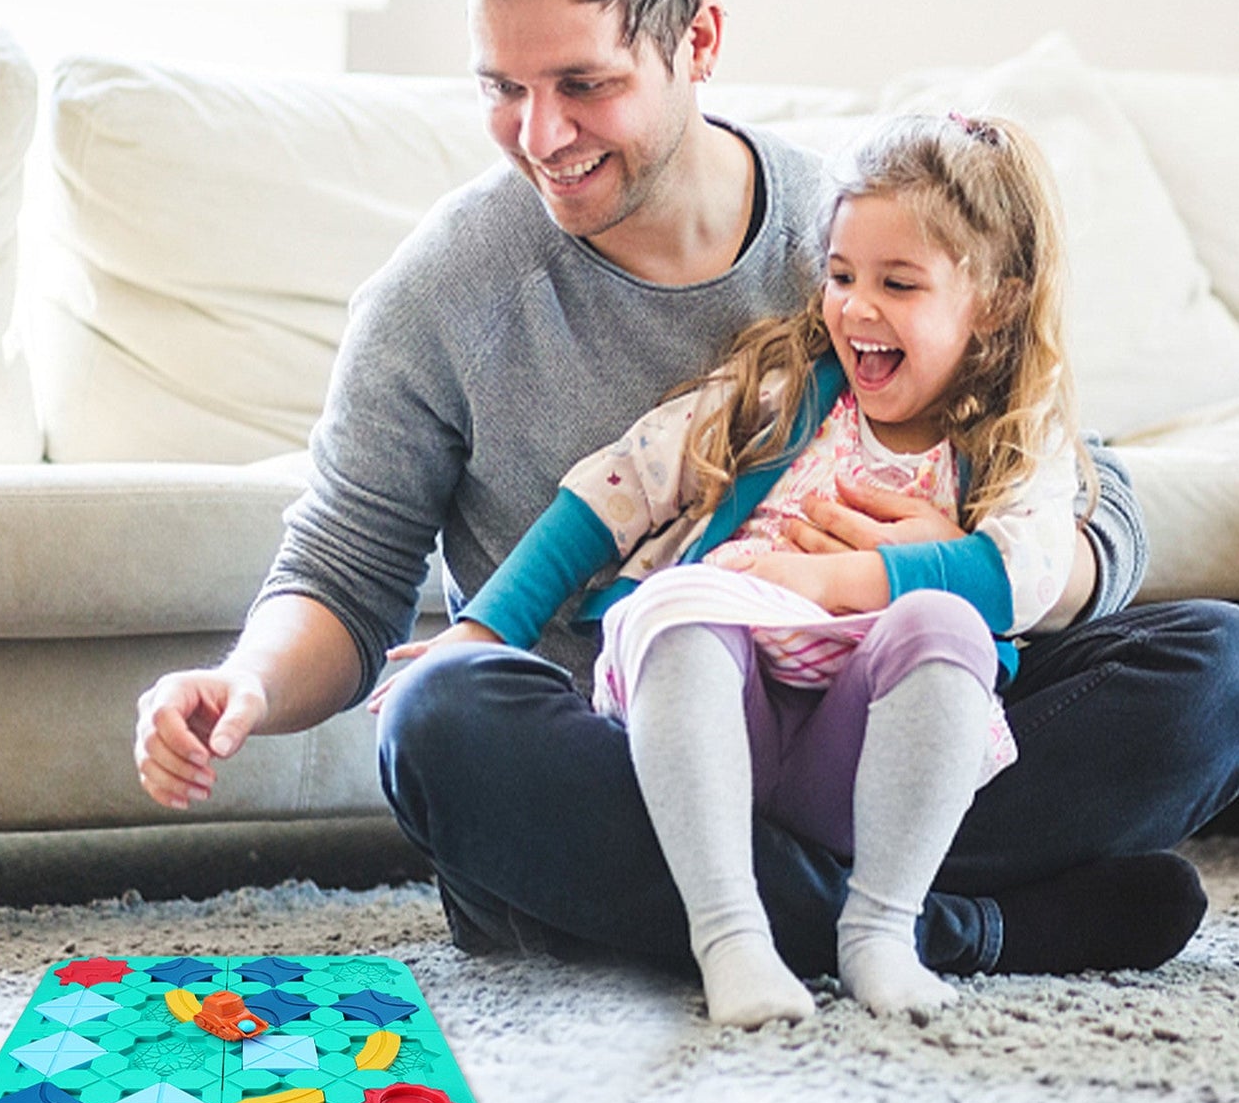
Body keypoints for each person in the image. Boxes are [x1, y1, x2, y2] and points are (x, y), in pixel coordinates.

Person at [134, 0, 1237, 987]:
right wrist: (248, 684)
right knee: (439, 722)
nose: (539, 135)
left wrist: (952, 570)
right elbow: (340, 572)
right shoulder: (442, 293)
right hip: (629, 749)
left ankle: (736, 911)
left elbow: (1080, 481)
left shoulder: (858, 231)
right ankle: (960, 926)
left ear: (697, 42)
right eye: (501, 89)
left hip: (889, 707)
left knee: (1214, 666)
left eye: (583, 84)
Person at [371, 110, 1094, 1026]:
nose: (856, 308)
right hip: (713, 727)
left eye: (898, 284)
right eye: (840, 276)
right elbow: (617, 489)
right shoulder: (781, 390)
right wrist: (481, 632)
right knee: (667, 611)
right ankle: (732, 936)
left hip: (869, 750)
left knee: (979, 631)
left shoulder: (1018, 439)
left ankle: (881, 929)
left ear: (993, 299)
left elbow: (1029, 569)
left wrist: (842, 582)